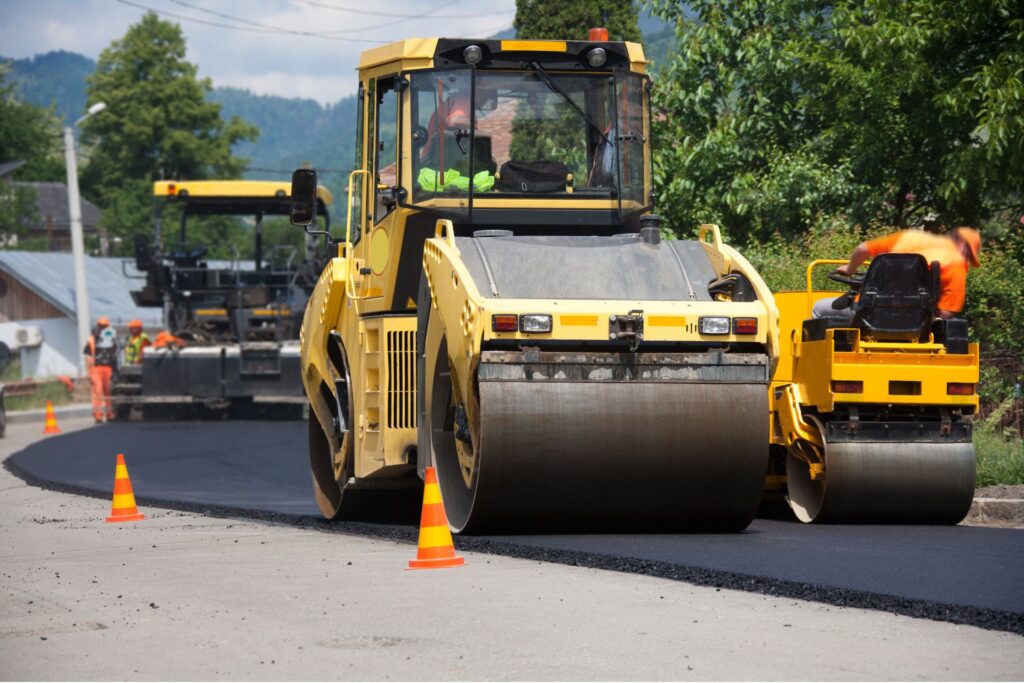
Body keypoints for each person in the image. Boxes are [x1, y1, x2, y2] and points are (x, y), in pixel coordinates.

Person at [813, 227, 981, 320]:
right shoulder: (956, 264)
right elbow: (946, 313)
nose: (966, 257)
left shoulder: (911, 237)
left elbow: (863, 249)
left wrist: (850, 269)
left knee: (818, 308)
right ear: (961, 244)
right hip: (916, 322)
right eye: (969, 253)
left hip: (870, 313)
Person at [83, 316, 118, 423]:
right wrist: (88, 372)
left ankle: (109, 414)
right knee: (97, 392)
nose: (103, 328)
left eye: (105, 326)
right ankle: (98, 415)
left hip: (108, 368)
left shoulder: (111, 340)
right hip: (96, 368)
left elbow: (115, 356)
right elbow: (88, 356)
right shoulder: (92, 340)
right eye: (101, 326)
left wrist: (115, 370)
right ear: (98, 326)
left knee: (109, 392)